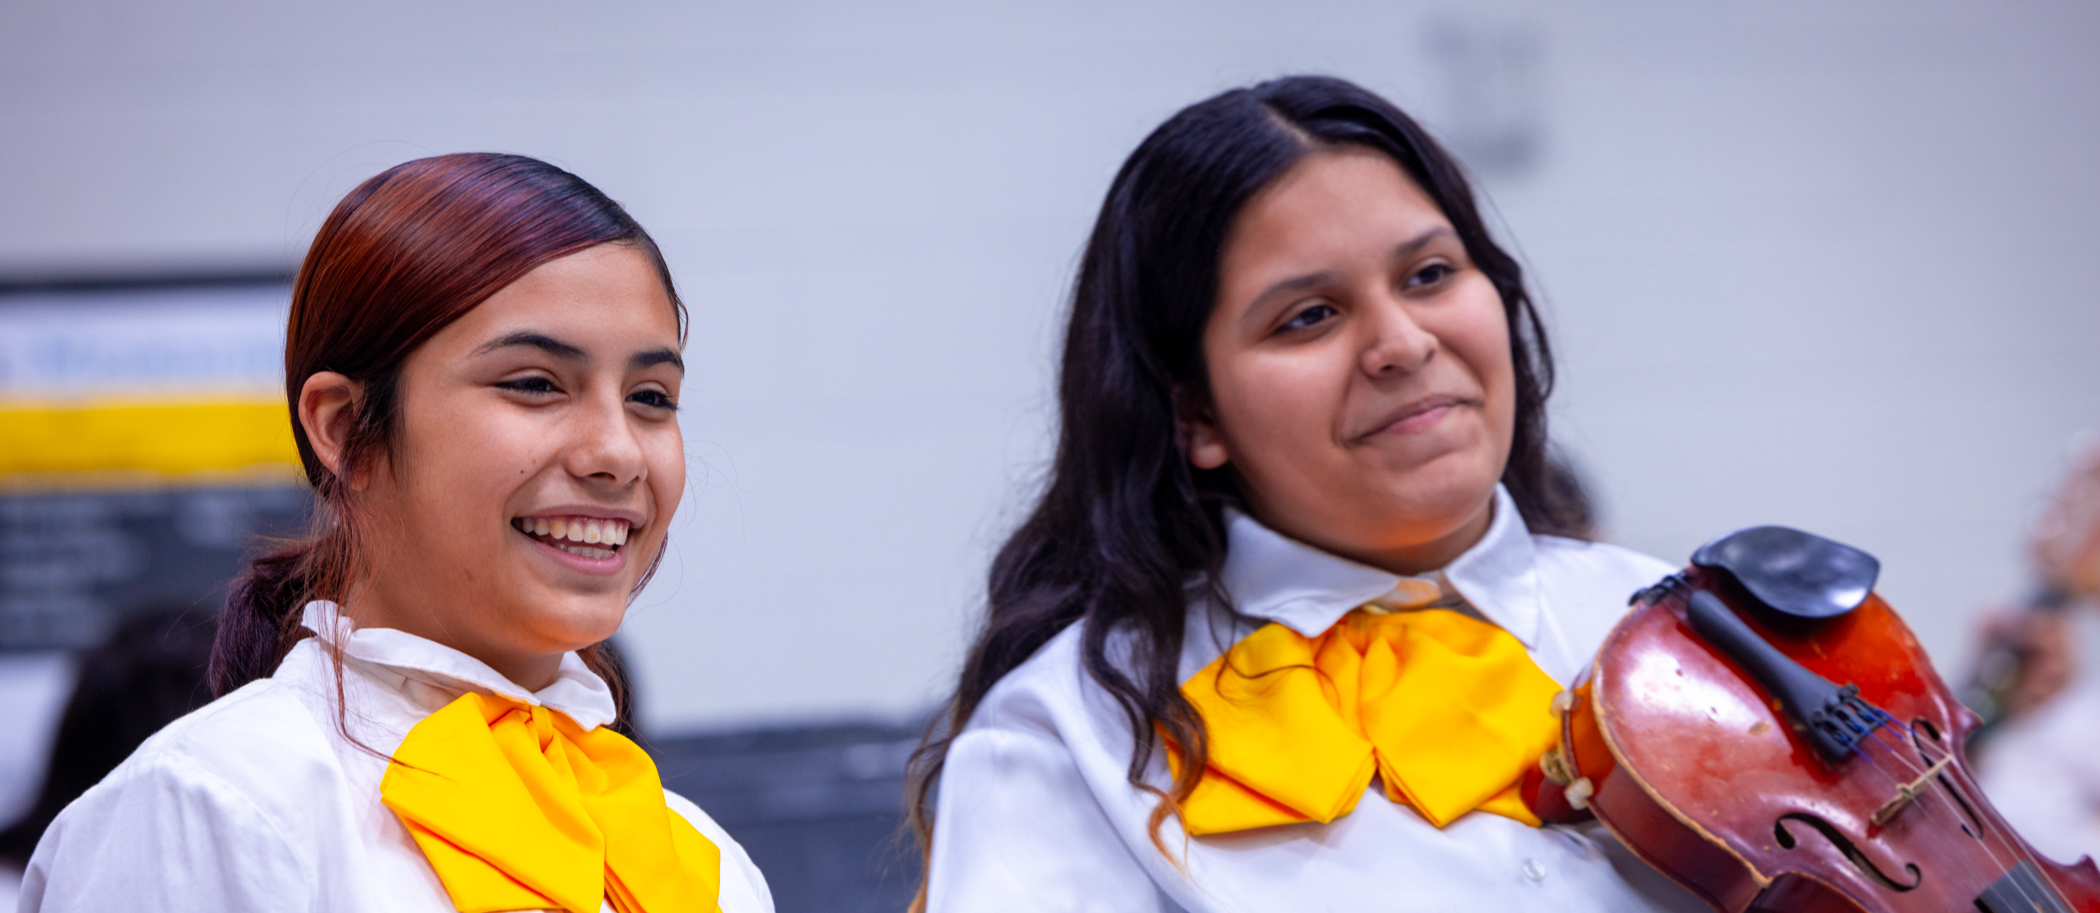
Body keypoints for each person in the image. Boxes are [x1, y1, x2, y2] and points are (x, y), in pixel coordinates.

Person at [907, 76, 1702, 911]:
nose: (1402, 342)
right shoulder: (1072, 732)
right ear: (1195, 413)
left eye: (1430, 273)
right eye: (1309, 316)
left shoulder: (1675, 633)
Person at [19, 153, 773, 913]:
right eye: (535, 383)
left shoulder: (702, 863)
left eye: (651, 396)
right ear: (346, 429)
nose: (616, 452)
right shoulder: (217, 813)